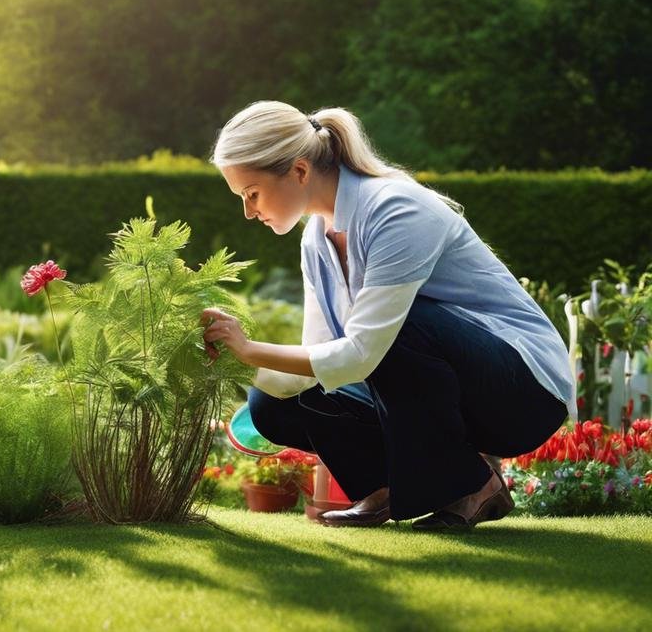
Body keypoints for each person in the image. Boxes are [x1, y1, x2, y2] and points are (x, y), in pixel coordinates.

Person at [199, 100, 572, 530]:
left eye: (252, 193)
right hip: (450, 386)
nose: (249, 211)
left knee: (400, 328)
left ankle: (468, 487)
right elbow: (312, 366)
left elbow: (361, 354)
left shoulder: (396, 210)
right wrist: (236, 360)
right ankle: (388, 486)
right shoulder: (316, 241)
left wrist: (250, 347)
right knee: (272, 405)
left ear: (299, 171)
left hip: (522, 392)